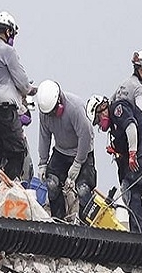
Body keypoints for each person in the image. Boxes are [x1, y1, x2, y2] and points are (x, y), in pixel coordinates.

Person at [86, 94, 142, 234]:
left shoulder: (118, 108)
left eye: (98, 119)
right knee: (130, 191)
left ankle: (140, 233)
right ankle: (137, 232)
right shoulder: (115, 130)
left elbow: (131, 127)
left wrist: (132, 153)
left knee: (130, 188)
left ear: (102, 108)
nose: (100, 124)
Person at [0, 11, 36, 181]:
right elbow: (23, 84)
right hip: (3, 112)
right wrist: (32, 90)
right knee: (17, 152)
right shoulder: (7, 51)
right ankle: (6, 189)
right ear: (9, 32)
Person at [36, 80, 96, 220]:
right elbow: (44, 136)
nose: (51, 115)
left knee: (83, 189)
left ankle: (85, 223)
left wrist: (78, 163)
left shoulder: (75, 108)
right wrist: (43, 163)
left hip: (82, 152)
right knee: (51, 184)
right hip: (61, 152)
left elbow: (85, 135)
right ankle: (58, 219)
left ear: (59, 101)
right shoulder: (45, 113)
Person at [113, 50, 142, 115]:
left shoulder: (123, 84)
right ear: (141, 69)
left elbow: (111, 104)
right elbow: (141, 114)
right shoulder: (139, 89)